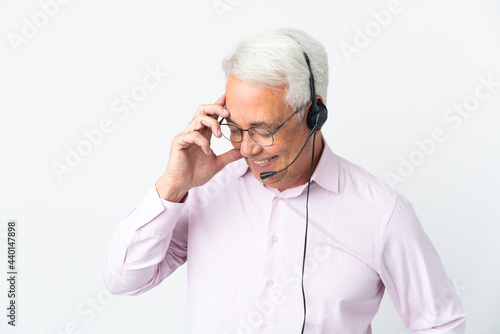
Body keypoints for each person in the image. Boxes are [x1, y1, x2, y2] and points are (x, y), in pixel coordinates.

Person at [103, 28, 466, 333]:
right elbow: (124, 280)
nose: (246, 148)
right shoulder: (203, 192)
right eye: (234, 129)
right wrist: (173, 185)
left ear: (314, 113)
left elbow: (440, 323)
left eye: (262, 130)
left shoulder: (383, 213)